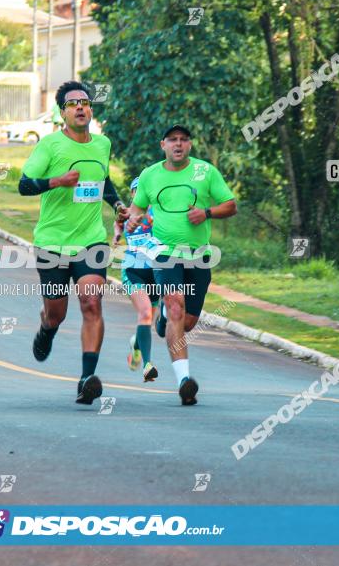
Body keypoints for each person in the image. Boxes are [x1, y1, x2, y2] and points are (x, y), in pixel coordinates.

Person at [18, 80, 128, 405]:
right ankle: (46, 329)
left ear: (91, 109)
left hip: (91, 240)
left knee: (91, 304)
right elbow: (24, 185)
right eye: (72, 103)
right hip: (52, 242)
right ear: (62, 112)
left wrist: (118, 205)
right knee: (57, 314)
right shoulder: (50, 146)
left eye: (85, 102)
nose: (80, 107)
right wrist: (57, 181)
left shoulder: (102, 144)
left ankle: (86, 379)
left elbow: (103, 180)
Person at [127, 125, 237, 405]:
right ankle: (184, 382)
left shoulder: (205, 172)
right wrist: (134, 218)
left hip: (199, 256)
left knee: (186, 322)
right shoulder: (150, 175)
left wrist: (207, 212)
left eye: (183, 140)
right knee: (176, 305)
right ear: (163, 145)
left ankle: (164, 318)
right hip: (164, 254)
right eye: (173, 140)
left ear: (189, 145)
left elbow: (230, 205)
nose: (178, 144)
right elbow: (138, 206)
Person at [115, 177, 160, 383]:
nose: (141, 195)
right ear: (132, 194)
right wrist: (117, 235)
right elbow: (118, 224)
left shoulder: (159, 213)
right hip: (133, 271)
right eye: (136, 191)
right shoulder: (126, 214)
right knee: (144, 314)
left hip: (158, 272)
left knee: (151, 320)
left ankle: (136, 345)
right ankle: (147, 365)